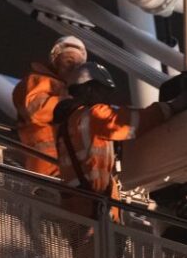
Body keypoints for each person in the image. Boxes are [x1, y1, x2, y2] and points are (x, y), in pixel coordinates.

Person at [56, 62, 169, 201]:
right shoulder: (94, 115)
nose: (107, 99)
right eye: (104, 91)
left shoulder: (69, 121)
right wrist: (167, 108)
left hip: (77, 200)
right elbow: (132, 122)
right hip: (92, 203)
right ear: (90, 89)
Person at [14, 34, 86, 177]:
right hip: (45, 161)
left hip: (68, 163)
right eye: (69, 61)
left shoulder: (75, 91)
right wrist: (69, 102)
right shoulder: (37, 80)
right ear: (55, 60)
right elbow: (36, 111)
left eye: (78, 65)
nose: (73, 67)